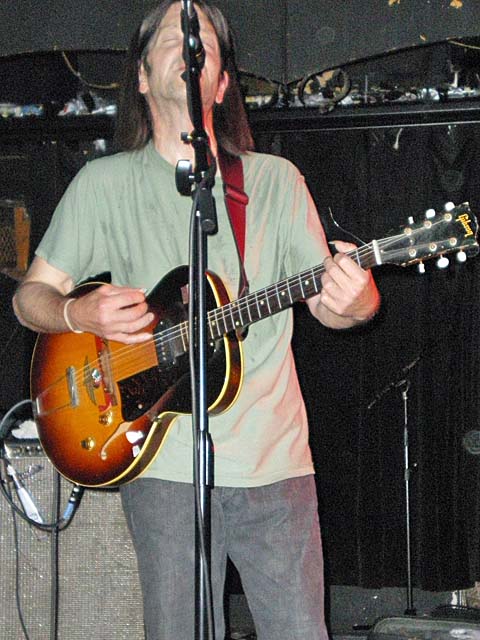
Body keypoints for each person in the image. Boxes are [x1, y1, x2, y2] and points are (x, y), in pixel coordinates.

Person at [12, 1, 381, 638]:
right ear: (142, 76)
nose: (190, 49)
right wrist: (78, 309)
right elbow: (29, 299)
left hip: (275, 464)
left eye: (204, 42)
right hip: (160, 465)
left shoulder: (273, 181)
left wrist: (359, 301)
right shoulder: (103, 184)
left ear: (221, 81)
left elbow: (331, 304)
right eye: (173, 39)